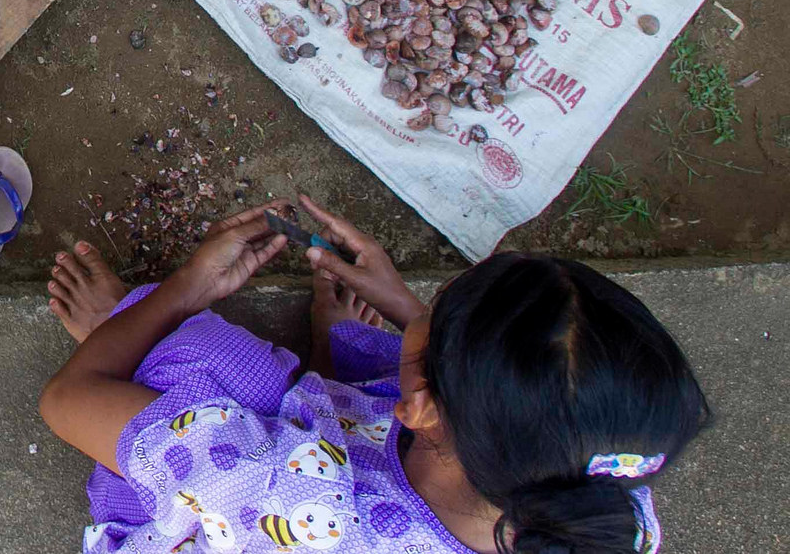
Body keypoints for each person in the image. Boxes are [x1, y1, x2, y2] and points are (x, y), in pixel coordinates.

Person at [39, 196, 707, 554]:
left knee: (197, 358)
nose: (425, 295)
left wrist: (180, 292)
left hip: (245, 518)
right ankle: (342, 363)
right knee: (332, 378)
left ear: (420, 406)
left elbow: (65, 401)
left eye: (438, 303)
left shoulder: (273, 492)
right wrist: (408, 316)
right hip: (370, 467)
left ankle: (120, 331)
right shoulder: (608, 499)